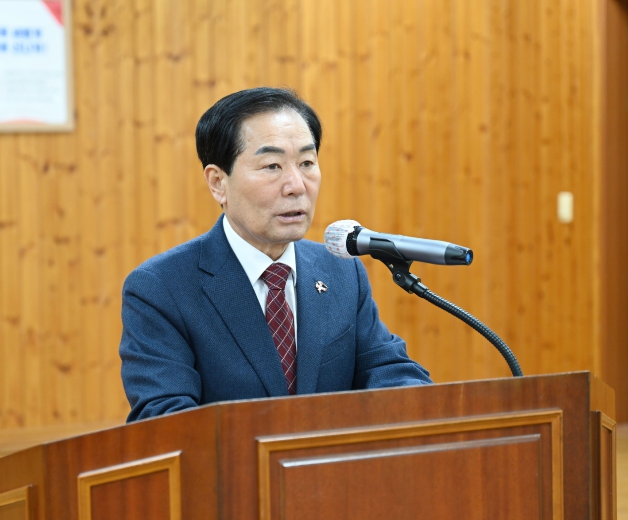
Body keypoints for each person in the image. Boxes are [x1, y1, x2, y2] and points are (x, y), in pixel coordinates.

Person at [119, 87, 432, 422]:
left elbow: (388, 369)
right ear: (218, 183)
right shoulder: (161, 288)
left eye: (307, 163)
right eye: (272, 166)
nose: (296, 185)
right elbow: (166, 419)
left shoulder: (341, 270)